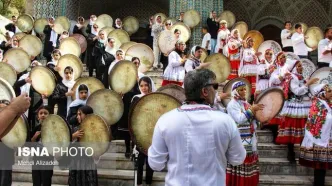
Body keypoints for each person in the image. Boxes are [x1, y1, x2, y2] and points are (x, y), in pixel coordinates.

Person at [148, 69, 246, 186]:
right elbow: (237, 159)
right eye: (214, 86)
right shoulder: (226, 121)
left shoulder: (165, 120)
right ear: (205, 91)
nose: (216, 91)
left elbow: (155, 164)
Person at [276, 60, 319, 162]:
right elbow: (297, 91)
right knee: (293, 128)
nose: (301, 68)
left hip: (303, 106)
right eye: (299, 66)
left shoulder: (301, 77)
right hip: (294, 107)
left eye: (301, 66)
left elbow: (306, 91)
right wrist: (308, 83)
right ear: (294, 67)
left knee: (303, 129)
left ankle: (302, 153)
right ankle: (291, 153)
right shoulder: (292, 77)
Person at [226, 81, 263, 186]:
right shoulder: (232, 105)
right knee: (241, 165)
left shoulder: (246, 103)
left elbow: (252, 120)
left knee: (249, 168)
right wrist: (252, 110)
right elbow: (240, 119)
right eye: (241, 90)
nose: (244, 91)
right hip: (239, 140)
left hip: (250, 138)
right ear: (235, 91)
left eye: (244, 89)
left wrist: (260, 120)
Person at [299, 84, 332, 186]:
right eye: (329, 91)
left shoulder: (327, 103)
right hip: (318, 139)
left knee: (322, 166)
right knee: (319, 165)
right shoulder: (317, 104)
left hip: (326, 138)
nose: (331, 94)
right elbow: (321, 119)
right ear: (322, 93)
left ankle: (319, 182)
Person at [132, 76, 156, 186]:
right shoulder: (136, 98)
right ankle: (139, 183)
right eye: (141, 85)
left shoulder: (155, 98)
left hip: (152, 133)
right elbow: (132, 117)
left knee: (150, 160)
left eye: (146, 85)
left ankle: (149, 182)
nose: (144, 88)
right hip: (140, 133)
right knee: (140, 161)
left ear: (150, 85)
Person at [117, 57, 142, 158]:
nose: (136, 65)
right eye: (134, 63)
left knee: (135, 128)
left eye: (137, 63)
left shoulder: (142, 76)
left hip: (137, 104)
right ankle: (128, 148)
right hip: (127, 103)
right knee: (126, 128)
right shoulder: (125, 77)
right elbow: (119, 89)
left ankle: (135, 148)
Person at [68, 105, 98, 186]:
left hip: (88, 160)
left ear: (87, 115)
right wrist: (73, 136)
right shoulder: (75, 129)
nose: (77, 117)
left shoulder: (95, 129)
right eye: (77, 114)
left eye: (80, 114)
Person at [31, 106, 54, 186]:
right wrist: (34, 137)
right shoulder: (36, 129)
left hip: (48, 158)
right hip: (36, 157)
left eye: (45, 113)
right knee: (36, 178)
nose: (43, 115)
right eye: (41, 113)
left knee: (46, 179)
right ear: (38, 116)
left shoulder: (53, 128)